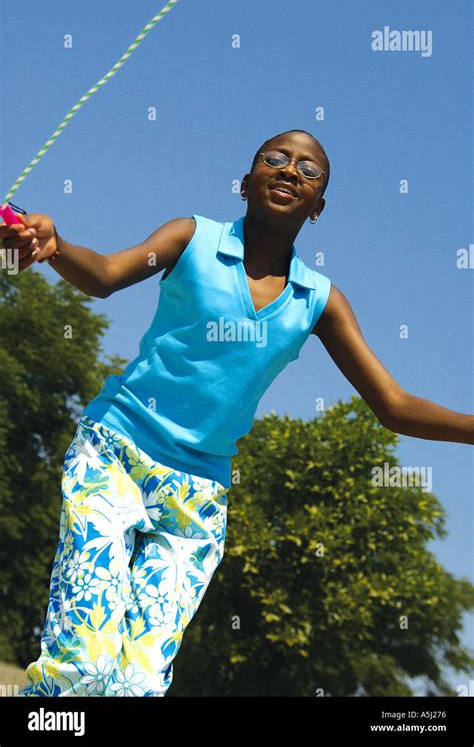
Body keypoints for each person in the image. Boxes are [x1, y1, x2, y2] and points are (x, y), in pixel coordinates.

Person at [2, 129, 472, 697]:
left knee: (138, 683)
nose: (290, 170)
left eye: (309, 170)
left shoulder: (318, 300)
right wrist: (54, 246)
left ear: (318, 207)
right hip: (115, 452)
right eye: (275, 159)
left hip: (197, 498)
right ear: (245, 183)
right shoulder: (190, 237)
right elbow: (102, 276)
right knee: (85, 653)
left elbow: (394, 407)